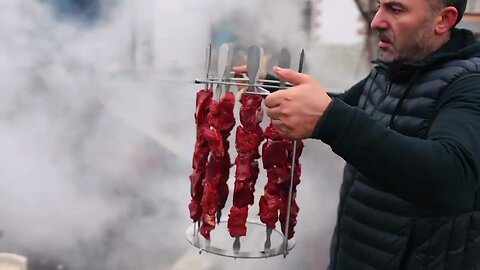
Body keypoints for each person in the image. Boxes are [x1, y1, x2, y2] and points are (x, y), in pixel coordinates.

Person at [236, 0, 480, 269]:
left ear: (443, 20)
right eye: (379, 5)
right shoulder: (391, 70)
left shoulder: (470, 85)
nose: (376, 21)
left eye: (395, 9)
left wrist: (330, 120)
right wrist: (272, 84)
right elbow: (343, 107)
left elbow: (454, 178)